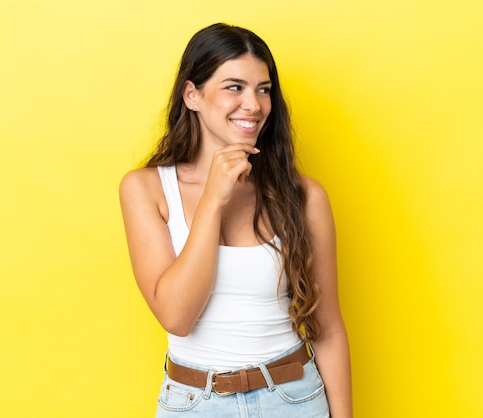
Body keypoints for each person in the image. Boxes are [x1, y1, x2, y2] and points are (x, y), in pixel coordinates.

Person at [119, 23, 352, 417]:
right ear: (192, 95)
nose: (254, 104)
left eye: (263, 90)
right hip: (194, 404)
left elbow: (327, 329)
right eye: (234, 87)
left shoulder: (304, 197)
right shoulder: (146, 190)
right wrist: (213, 198)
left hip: (294, 400)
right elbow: (176, 317)